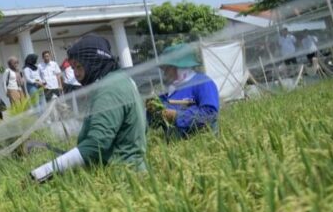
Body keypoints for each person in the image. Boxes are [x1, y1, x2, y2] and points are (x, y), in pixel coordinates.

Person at [30, 35, 147, 182]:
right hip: (128, 172)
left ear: (94, 62)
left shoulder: (110, 89)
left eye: (79, 66)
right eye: (73, 68)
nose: (76, 73)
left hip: (122, 177)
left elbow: (97, 143)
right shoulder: (119, 80)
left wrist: (42, 173)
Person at [151, 43, 220, 139]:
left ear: (179, 67)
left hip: (201, 142)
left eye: (167, 68)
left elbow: (210, 114)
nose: (165, 73)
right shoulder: (168, 91)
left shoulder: (202, 83)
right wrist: (151, 111)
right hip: (174, 146)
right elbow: (154, 124)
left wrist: (177, 116)